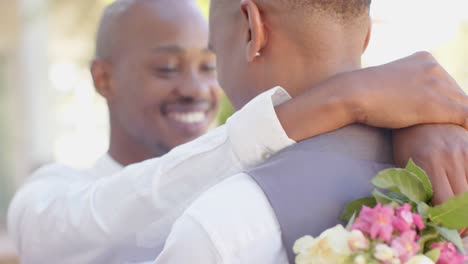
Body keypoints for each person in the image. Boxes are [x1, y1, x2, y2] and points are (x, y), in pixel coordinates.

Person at [8, 0, 468, 263]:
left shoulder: (231, 214)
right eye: (167, 67)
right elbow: (132, 203)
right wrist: (343, 98)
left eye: (209, 63)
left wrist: (418, 122)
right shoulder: (49, 195)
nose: (197, 88)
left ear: (251, 30)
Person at [155, 0, 468, 263]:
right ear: (366, 36)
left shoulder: (222, 222)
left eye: (215, 53)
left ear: (253, 30)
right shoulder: (455, 171)